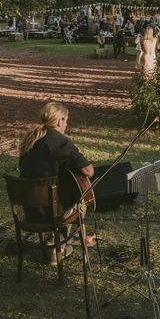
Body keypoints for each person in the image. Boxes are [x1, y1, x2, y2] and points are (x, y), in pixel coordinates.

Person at [19, 102, 95, 264]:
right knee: (81, 199)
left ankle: (56, 238)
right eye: (66, 120)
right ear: (60, 120)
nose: (66, 124)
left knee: (59, 193)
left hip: (31, 211)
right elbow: (88, 171)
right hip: (52, 213)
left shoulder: (29, 140)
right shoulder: (61, 142)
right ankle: (57, 246)